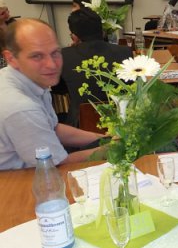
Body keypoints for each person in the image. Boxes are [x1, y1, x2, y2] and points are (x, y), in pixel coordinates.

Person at [0, 19, 106, 170]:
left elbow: (53, 128)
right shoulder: (21, 107)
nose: (51, 65)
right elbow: (56, 165)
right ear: (11, 58)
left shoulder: (27, 78)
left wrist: (105, 139)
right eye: (37, 56)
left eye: (55, 53)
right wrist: (113, 149)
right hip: (14, 180)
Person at [59, 8, 131, 127]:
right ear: (102, 31)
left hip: (81, 126)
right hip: (123, 122)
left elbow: (58, 88)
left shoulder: (64, 55)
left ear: (74, 36)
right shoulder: (125, 52)